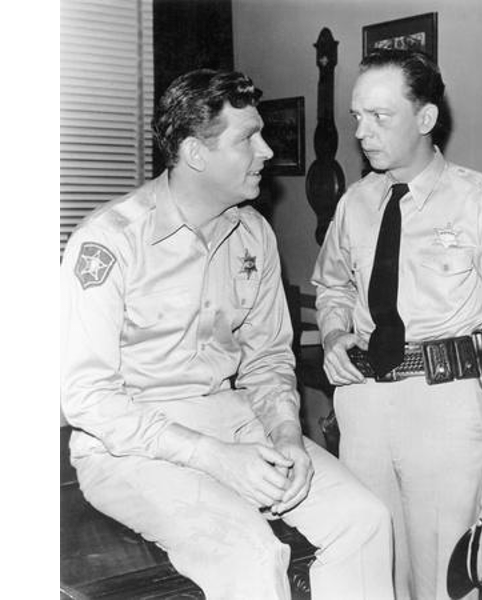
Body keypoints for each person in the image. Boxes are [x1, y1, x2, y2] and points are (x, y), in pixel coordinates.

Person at [60, 68, 395, 600]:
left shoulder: (254, 234)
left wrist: (287, 436)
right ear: (195, 153)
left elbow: (268, 360)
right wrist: (211, 456)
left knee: (366, 520)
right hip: (130, 447)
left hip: (235, 423)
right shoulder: (109, 243)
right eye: (247, 138)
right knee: (251, 554)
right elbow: (88, 398)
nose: (266, 151)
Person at [312, 50, 482, 600]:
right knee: (367, 575)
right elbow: (332, 285)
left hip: (445, 409)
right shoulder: (354, 204)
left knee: (447, 580)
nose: (361, 132)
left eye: (379, 116)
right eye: (357, 116)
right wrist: (336, 333)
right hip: (363, 408)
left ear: (425, 118)